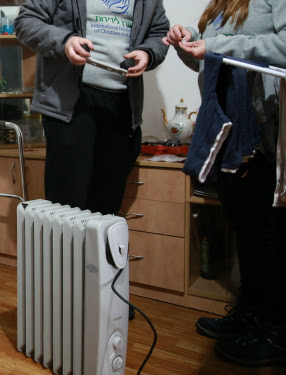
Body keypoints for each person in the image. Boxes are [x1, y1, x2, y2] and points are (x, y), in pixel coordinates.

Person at [164, 0, 286, 366]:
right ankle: (250, 314)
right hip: (228, 132)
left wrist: (218, 45)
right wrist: (190, 45)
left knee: (270, 236)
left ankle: (276, 331)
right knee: (244, 229)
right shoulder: (219, 4)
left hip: (265, 134)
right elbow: (211, 61)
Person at [15, 0, 170, 216]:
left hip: (122, 107)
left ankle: (96, 251)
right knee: (66, 209)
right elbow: (25, 22)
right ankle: (66, 252)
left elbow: (159, 32)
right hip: (71, 106)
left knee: (106, 210)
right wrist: (65, 41)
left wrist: (148, 53)